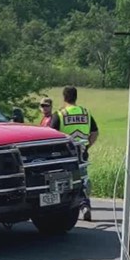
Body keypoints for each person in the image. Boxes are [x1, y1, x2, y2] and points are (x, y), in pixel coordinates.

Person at [48, 86, 99, 221]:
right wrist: (87, 146)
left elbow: (49, 134)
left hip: (64, 155)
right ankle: (84, 205)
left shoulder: (60, 114)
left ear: (64, 97)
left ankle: (61, 208)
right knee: (82, 178)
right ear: (76, 97)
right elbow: (95, 132)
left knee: (62, 181)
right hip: (81, 152)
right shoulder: (86, 113)